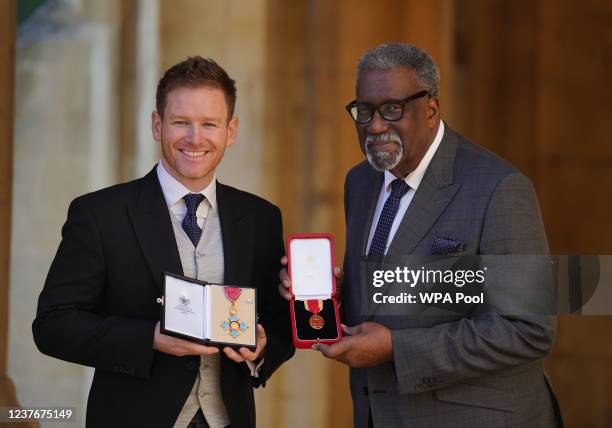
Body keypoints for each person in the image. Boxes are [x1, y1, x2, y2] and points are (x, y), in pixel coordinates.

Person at [280, 43, 562, 427]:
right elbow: (393, 300)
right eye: (364, 112)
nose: (375, 125)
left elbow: (528, 329)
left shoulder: (500, 188)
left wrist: (397, 348)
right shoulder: (360, 181)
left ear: (431, 110)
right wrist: (330, 296)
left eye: (393, 109)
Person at [33, 56, 294, 428]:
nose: (195, 137)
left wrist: (265, 345)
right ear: (157, 125)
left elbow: (278, 320)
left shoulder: (260, 217)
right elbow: (53, 326)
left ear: (231, 131)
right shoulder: (100, 214)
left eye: (209, 124)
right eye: (180, 122)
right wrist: (149, 339)